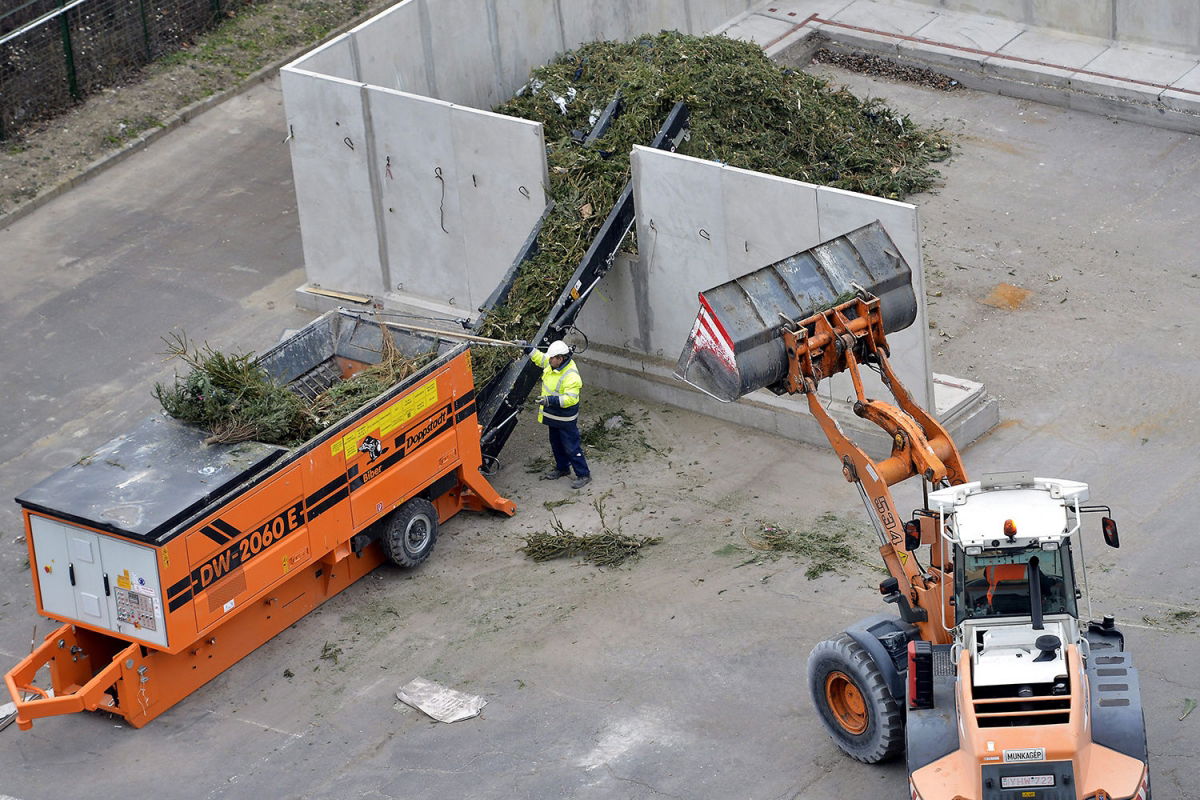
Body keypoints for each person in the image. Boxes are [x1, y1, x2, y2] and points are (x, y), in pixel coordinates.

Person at [528, 340, 591, 489]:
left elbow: (570, 399)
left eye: (552, 358)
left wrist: (550, 400)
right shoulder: (552, 364)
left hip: (565, 418)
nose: (548, 361)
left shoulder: (571, 376)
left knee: (571, 446)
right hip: (553, 416)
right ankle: (562, 468)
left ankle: (583, 474)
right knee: (556, 444)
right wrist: (529, 349)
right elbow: (541, 358)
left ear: (560, 358)